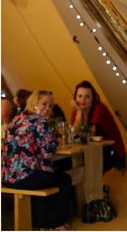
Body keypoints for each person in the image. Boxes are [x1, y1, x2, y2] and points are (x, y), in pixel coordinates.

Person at [1, 90, 73, 230]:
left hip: (6, 177)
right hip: (24, 178)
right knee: (64, 179)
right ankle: (57, 223)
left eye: (51, 106)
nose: (47, 109)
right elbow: (48, 152)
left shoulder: (17, 118)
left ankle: (41, 221)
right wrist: (55, 140)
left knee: (44, 176)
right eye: (44, 104)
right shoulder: (41, 122)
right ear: (34, 104)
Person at [70, 80, 126, 172]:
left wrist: (79, 113)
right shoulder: (76, 110)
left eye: (87, 97)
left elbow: (91, 133)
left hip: (111, 150)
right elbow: (74, 133)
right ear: (75, 97)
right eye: (79, 96)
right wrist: (79, 113)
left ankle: (93, 185)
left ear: (93, 98)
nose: (82, 100)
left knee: (86, 166)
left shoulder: (99, 109)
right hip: (92, 149)